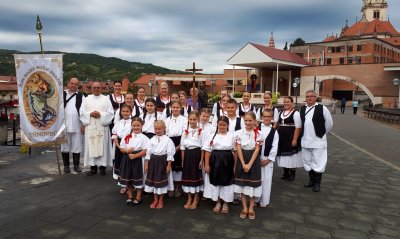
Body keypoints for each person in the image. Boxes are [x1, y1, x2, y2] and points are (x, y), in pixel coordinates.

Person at [300, 90, 333, 192]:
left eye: (312, 96)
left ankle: (317, 183)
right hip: (305, 140)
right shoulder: (302, 108)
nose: (309, 98)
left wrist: (322, 133)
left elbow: (329, 123)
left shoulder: (322, 108)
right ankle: (311, 180)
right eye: (308, 96)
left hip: (318, 141)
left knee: (318, 162)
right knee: (307, 161)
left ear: (316, 97)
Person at [80, 82, 114, 176]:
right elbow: (82, 112)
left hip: (102, 127)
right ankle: (93, 168)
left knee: (103, 147)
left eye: (98, 87)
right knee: (91, 147)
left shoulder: (106, 100)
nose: (96, 89)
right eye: (94, 87)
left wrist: (101, 115)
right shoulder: (87, 99)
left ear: (101, 88)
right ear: (91, 88)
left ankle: (103, 168)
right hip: (90, 128)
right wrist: (90, 114)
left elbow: (111, 113)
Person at [203, 116, 235, 214]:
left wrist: (235, 166)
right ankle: (217, 202)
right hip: (215, 161)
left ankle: (225, 203)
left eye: (224, 125)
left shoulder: (232, 136)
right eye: (220, 124)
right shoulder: (212, 136)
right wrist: (207, 164)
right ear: (217, 125)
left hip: (228, 160)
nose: (222, 127)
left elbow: (236, 151)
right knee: (215, 181)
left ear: (228, 125)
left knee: (227, 182)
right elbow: (207, 151)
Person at [234, 112, 263, 220]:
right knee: (243, 185)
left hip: (253, 161)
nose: (248, 122)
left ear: (255, 121)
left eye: (250, 120)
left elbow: (257, 149)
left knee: (252, 186)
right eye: (246, 120)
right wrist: (243, 164)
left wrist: (249, 164)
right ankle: (244, 208)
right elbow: (238, 149)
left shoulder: (259, 133)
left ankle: (251, 208)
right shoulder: (239, 133)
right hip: (242, 160)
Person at [144, 120, 175, 209]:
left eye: (160, 129)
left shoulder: (168, 140)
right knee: (154, 180)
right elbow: (148, 153)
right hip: (153, 162)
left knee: (161, 181)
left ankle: (161, 199)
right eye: (156, 129)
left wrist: (168, 165)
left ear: (164, 129)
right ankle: (155, 199)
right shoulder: (152, 139)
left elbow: (170, 154)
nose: (157, 131)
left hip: (162, 161)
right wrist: (146, 164)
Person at [119, 117, 149, 206]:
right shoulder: (126, 137)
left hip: (138, 159)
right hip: (127, 159)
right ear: (131, 126)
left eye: (138, 125)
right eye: (134, 125)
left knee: (138, 178)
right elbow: (122, 149)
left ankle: (138, 197)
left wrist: (135, 155)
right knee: (128, 178)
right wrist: (128, 150)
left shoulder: (145, 138)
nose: (136, 127)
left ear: (142, 126)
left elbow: (145, 150)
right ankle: (130, 196)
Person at [275, 97, 302, 181]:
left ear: (292, 103)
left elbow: (298, 127)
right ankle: (285, 172)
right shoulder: (280, 112)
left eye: (288, 102)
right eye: (285, 102)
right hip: (282, 137)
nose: (286, 103)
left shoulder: (295, 113)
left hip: (290, 136)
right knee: (283, 155)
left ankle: (292, 173)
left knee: (292, 155)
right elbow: (277, 124)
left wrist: (294, 139)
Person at [180, 111, 204, 209]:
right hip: (187, 155)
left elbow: (203, 147)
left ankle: (196, 198)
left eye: (194, 119)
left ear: (198, 120)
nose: (192, 121)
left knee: (195, 176)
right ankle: (189, 198)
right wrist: (182, 160)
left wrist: (201, 160)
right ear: (188, 120)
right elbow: (182, 147)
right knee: (188, 176)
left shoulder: (201, 131)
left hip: (197, 154)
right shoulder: (185, 131)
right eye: (190, 119)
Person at [61, 77, 85, 173]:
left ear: (78, 85)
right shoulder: (62, 94)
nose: (73, 85)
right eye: (72, 83)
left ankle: (76, 165)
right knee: (64, 146)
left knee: (77, 145)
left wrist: (83, 124)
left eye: (75, 84)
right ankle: (66, 166)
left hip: (77, 125)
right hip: (64, 125)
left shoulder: (81, 96)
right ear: (68, 83)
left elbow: (84, 112)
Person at [165, 100, 187, 198]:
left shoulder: (184, 120)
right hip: (169, 142)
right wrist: (169, 146)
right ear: (171, 108)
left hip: (180, 142)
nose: (175, 109)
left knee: (178, 168)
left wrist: (179, 146)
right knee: (171, 166)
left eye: (177, 107)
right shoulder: (167, 120)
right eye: (173, 107)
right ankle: (171, 187)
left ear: (181, 108)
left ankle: (178, 187)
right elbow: (165, 133)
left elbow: (184, 133)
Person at [257, 109, 279, 207]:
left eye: (269, 116)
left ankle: (264, 201)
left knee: (266, 180)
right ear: (262, 117)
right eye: (265, 116)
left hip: (267, 159)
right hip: (256, 158)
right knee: (257, 179)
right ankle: (256, 198)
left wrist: (269, 159)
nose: (266, 118)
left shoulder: (274, 132)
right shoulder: (256, 129)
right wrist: (257, 158)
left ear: (272, 118)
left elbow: (275, 147)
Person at [111, 104, 133, 191]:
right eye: (123, 111)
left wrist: (126, 148)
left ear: (131, 112)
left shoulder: (132, 122)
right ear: (120, 112)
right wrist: (119, 146)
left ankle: (130, 184)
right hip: (119, 146)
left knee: (128, 165)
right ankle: (123, 185)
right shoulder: (118, 123)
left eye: (127, 111)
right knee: (120, 164)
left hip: (129, 146)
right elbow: (115, 135)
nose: (125, 113)